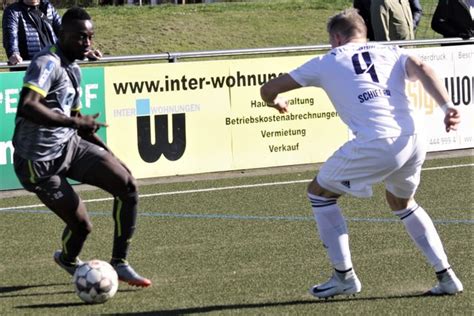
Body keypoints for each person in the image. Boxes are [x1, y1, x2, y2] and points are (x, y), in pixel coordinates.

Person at [260, 8, 463, 298]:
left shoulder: (326, 61)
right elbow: (423, 67)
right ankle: (447, 276)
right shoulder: (390, 50)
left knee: (319, 193)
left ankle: (343, 276)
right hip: (414, 139)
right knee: (401, 202)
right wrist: (447, 107)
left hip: (377, 141)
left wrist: (275, 102)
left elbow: (268, 88)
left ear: (337, 37)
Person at [12, 7, 151, 287]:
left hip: (69, 146)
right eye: (79, 38)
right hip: (37, 163)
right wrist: (75, 124)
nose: (87, 44)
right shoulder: (47, 63)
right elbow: (28, 106)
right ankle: (67, 259)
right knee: (82, 226)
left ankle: (120, 263)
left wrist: (109, 153)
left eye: (89, 37)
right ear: (62, 35)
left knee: (127, 185)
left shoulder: (74, 69)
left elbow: (76, 119)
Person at [2, 0, 101, 66]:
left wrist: (85, 51)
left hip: (53, 66)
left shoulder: (47, 7)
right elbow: (10, 35)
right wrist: (13, 53)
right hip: (29, 68)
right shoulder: (13, 11)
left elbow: (66, 32)